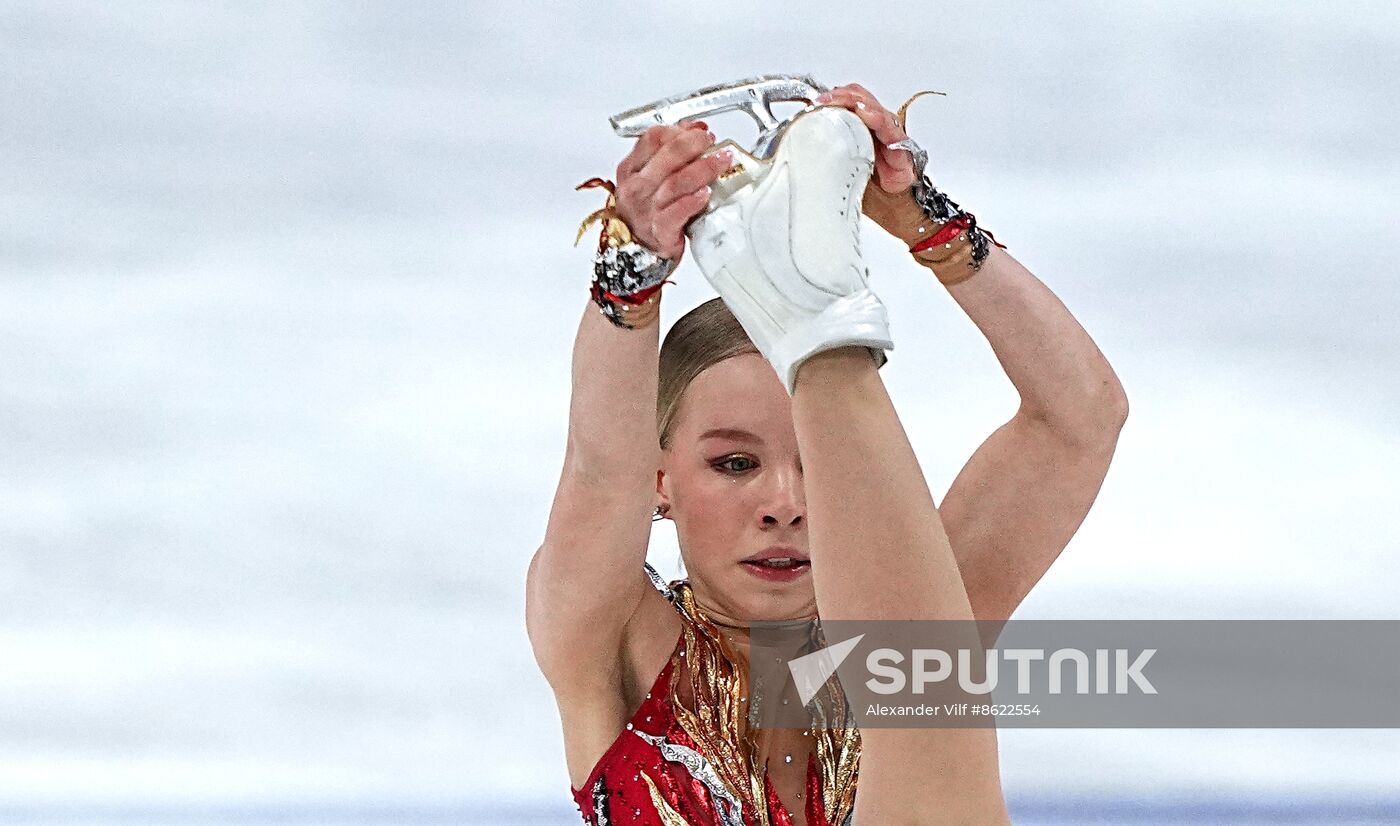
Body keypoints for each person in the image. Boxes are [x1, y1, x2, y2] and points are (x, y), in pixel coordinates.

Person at [526, 82, 1129, 825]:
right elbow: (597, 471)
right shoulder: (611, 636)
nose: (786, 504)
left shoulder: (929, 607)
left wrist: (926, 221)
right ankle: (823, 322)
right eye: (735, 464)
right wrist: (631, 279)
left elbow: (1080, 418)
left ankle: (816, 318)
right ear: (661, 481)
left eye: (821, 464)